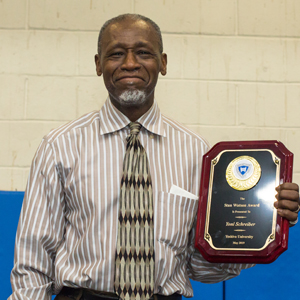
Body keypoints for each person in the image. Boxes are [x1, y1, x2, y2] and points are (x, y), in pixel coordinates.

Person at [9, 14, 300, 300]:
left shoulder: (199, 153)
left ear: (162, 63)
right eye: (116, 54)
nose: (130, 63)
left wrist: (265, 223)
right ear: (98, 64)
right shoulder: (59, 146)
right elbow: (33, 259)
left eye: (144, 52)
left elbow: (199, 267)